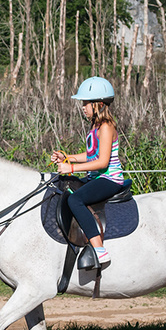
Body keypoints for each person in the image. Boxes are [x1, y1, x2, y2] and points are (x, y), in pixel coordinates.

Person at [51, 76, 124, 265]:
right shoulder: (95, 126)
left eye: (86, 103)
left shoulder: (106, 127)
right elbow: (90, 154)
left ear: (98, 104)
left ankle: (99, 249)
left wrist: (72, 168)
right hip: (96, 178)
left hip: (110, 179)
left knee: (76, 199)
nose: (83, 107)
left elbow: (102, 162)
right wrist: (67, 157)